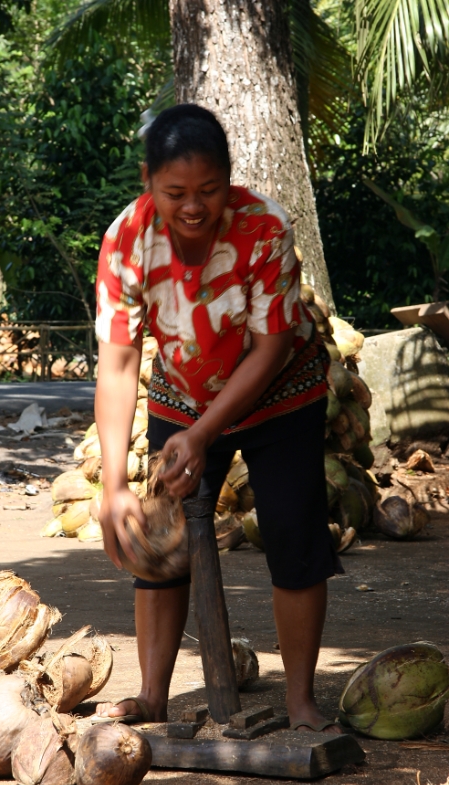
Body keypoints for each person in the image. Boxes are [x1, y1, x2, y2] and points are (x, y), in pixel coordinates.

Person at [94, 104, 342, 733]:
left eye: (208, 190)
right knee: (160, 542)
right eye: (175, 192)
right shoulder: (126, 240)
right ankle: (152, 695)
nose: (193, 206)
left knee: (293, 536)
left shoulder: (264, 228)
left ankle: (300, 701)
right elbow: (119, 365)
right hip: (180, 396)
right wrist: (115, 486)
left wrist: (205, 434)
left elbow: (272, 348)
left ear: (229, 180)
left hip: (281, 394)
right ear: (148, 181)